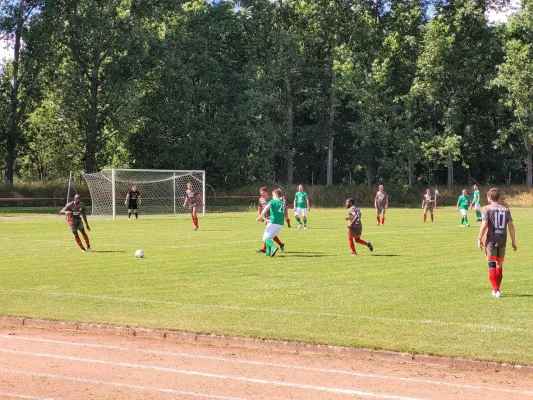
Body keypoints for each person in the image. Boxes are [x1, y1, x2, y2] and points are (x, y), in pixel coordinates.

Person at [477, 188, 517, 297]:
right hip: (502, 240)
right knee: (499, 265)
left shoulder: (486, 208)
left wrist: (479, 238)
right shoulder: (506, 209)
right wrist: (513, 241)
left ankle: (495, 289)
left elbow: (484, 224)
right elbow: (511, 226)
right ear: (498, 198)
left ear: (489, 198)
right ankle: (497, 290)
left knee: (491, 264)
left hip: (491, 240)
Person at [256, 188, 285, 257]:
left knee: (265, 238)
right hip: (280, 224)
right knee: (269, 237)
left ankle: (274, 248)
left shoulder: (273, 201)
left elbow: (266, 208)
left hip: (274, 222)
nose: (272, 196)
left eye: (273, 195)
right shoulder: (282, 203)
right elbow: (278, 214)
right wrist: (269, 219)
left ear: (275, 195)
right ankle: (268, 253)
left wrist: (260, 217)